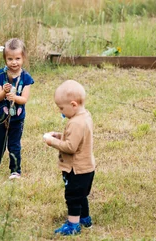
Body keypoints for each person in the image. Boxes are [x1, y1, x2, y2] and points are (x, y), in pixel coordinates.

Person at [43, 80, 95, 236]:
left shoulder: (75, 123)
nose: (61, 112)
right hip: (87, 168)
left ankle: (73, 225)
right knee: (81, 195)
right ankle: (84, 218)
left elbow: (71, 147)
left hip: (76, 169)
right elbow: (77, 139)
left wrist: (52, 142)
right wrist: (60, 135)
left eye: (61, 108)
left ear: (73, 104)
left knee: (72, 196)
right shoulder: (85, 116)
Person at [0, 38, 34, 180]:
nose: (14, 62)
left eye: (17, 58)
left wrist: (14, 97)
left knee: (14, 145)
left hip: (17, 118)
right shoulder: (0, 75)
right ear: (5, 59)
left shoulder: (26, 78)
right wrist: (4, 92)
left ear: (23, 58)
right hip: (2, 117)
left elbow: (24, 99)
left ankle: (15, 171)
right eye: (10, 59)